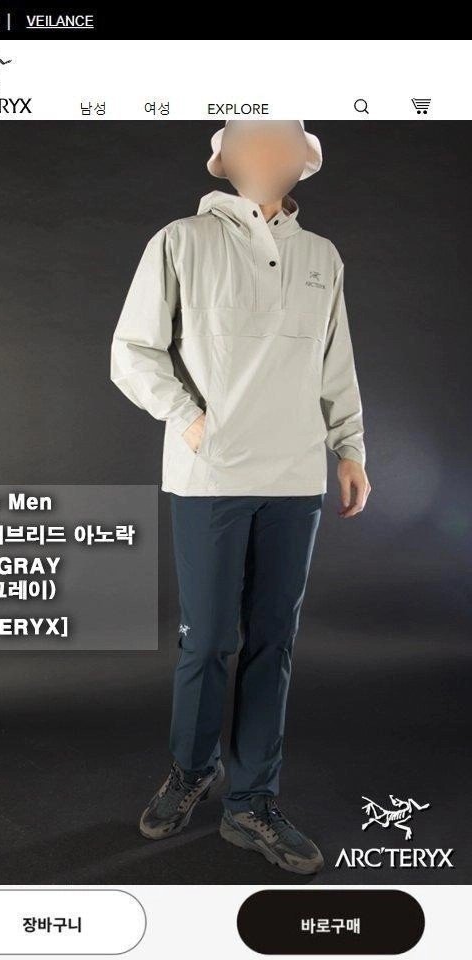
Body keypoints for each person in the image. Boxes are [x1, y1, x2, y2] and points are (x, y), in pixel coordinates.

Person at [110, 119, 371, 874]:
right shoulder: (181, 241)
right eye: (252, 141)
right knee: (206, 640)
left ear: (303, 163)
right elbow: (132, 351)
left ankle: (251, 801)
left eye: (283, 143)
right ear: (223, 161)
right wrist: (188, 418)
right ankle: (192, 770)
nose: (268, 153)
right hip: (211, 479)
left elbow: (335, 363)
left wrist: (349, 448)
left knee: (272, 642)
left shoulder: (321, 258)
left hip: (294, 480)